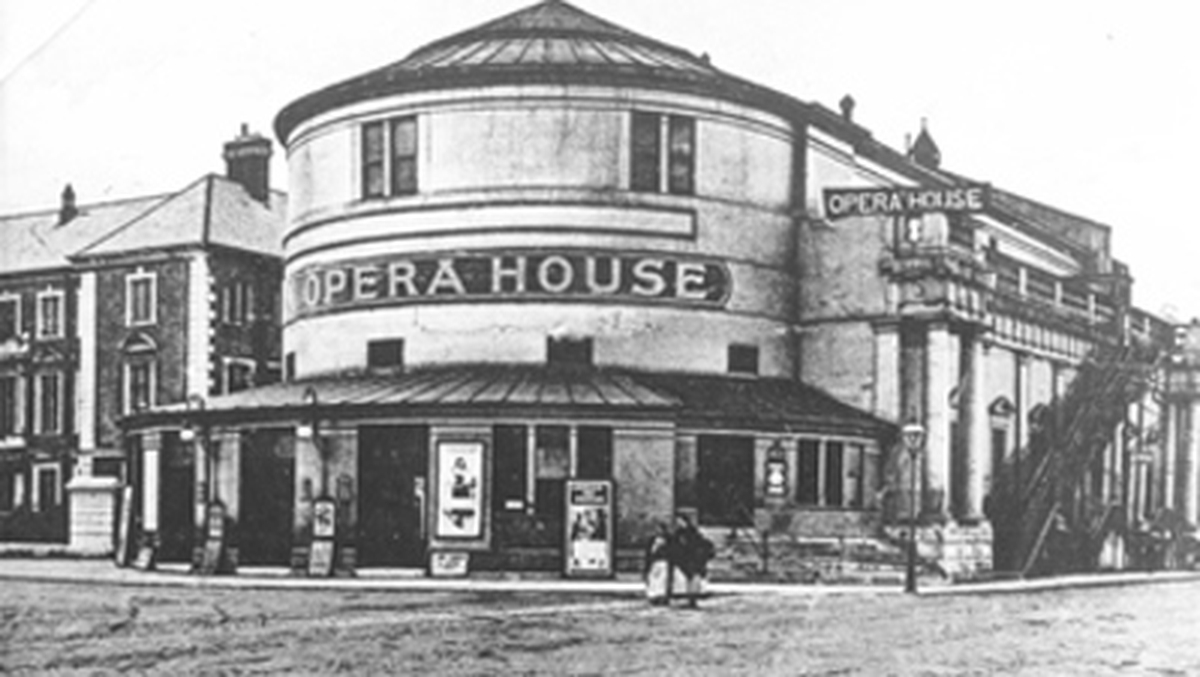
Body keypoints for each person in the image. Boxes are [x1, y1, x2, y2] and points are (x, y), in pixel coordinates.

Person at [669, 513, 714, 608]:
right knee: (688, 578)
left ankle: (692, 598)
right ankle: (689, 597)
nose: (678, 523)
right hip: (684, 558)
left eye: (680, 521)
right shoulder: (678, 533)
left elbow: (698, 543)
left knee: (693, 578)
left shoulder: (692, 532)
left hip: (693, 558)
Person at [643, 522, 672, 605]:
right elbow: (649, 551)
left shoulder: (668, 539)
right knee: (654, 580)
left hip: (663, 561)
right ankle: (654, 596)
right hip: (654, 562)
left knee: (662, 580)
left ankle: (661, 597)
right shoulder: (653, 539)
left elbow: (670, 550)